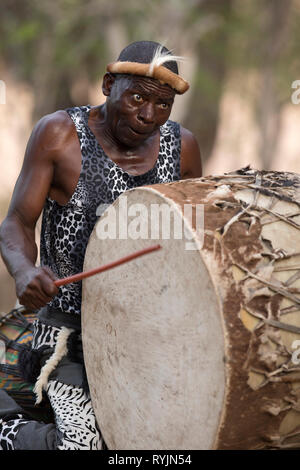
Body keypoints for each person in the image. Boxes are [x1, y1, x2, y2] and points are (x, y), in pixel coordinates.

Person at [0, 40, 202, 450]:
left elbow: (192, 242)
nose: (148, 115)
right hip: (65, 330)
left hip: (148, 331)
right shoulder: (59, 135)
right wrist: (24, 271)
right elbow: (17, 222)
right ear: (109, 84)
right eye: (138, 97)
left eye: (163, 105)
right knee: (83, 445)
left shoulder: (183, 149)